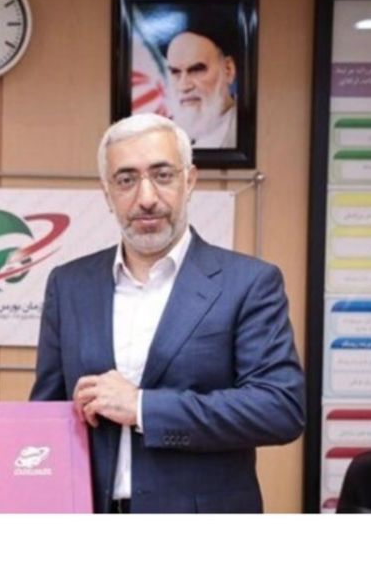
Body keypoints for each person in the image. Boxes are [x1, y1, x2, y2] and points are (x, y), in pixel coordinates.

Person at [30, 113, 304, 513]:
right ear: (107, 193)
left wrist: (142, 408)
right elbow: (47, 413)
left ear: (189, 181)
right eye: (126, 180)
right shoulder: (69, 285)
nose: (146, 198)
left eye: (162, 175)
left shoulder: (248, 283)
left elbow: (279, 409)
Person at [164, 29, 238, 149]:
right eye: (175, 72)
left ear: (228, 70)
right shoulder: (161, 136)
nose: (183, 86)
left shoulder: (250, 131)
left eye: (196, 70)